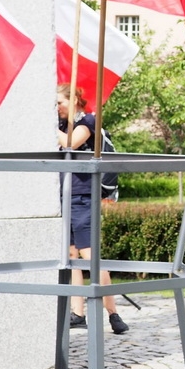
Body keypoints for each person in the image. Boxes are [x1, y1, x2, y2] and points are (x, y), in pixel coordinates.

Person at [56, 83, 129, 335]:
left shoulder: (88, 122)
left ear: (74, 100)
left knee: (92, 257)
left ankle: (114, 314)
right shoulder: (63, 126)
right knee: (72, 257)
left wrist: (48, 126)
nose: (57, 108)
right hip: (66, 198)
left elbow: (70, 144)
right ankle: (78, 313)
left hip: (84, 199)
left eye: (60, 102)